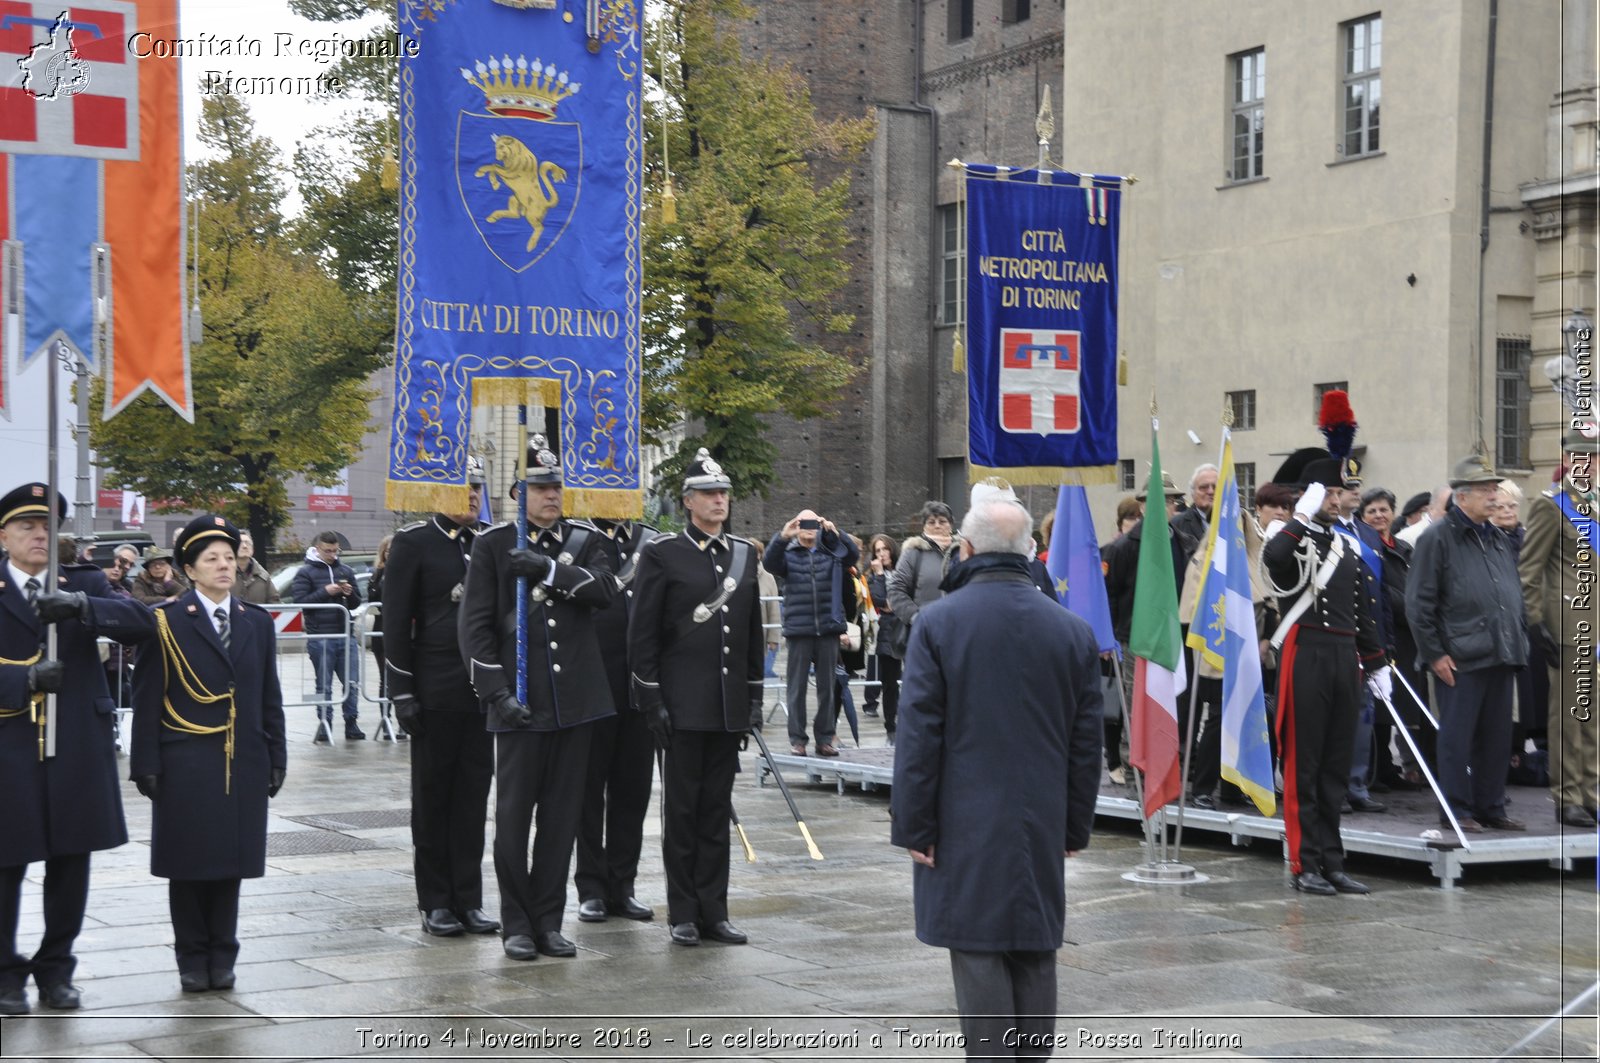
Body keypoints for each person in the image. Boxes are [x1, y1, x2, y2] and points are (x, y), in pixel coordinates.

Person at [890, 497, 1102, 1057]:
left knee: (978, 944)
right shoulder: (1073, 630)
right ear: (1031, 552)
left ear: (965, 549)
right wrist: (1075, 826)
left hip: (962, 817)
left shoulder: (938, 623)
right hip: (1040, 817)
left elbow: (918, 738)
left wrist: (914, 825)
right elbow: (1087, 744)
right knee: (1034, 944)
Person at [459, 435, 616, 961]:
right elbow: (476, 628)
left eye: (556, 486)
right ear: (516, 492)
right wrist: (497, 693)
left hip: (575, 702)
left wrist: (549, 570)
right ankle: (516, 923)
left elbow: (605, 591)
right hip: (519, 704)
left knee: (561, 820)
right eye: (540, 487)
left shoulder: (585, 539)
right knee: (512, 822)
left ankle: (549, 921)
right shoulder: (492, 544)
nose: (552, 495)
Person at [0, 482, 153, 1014]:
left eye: (46, 525)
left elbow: (144, 623)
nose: (39, 534)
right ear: (4, 535)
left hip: (75, 745)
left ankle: (56, 970)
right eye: (26, 525)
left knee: (71, 861)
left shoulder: (83, 580)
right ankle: (5, 976)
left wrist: (82, 607)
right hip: (10, 743)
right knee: (6, 863)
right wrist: (22, 682)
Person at [129, 514, 286, 992]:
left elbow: (268, 696)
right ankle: (192, 958)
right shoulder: (167, 621)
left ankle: (224, 953)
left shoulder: (255, 623)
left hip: (242, 759)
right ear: (189, 571)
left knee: (230, 863)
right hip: (186, 760)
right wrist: (145, 763)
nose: (224, 565)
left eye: (229, 556)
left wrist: (277, 755)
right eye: (211, 558)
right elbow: (147, 695)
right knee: (190, 864)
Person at [628, 449, 764, 948]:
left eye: (724, 493)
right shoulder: (664, 554)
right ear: (688, 502)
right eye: (709, 494)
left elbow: (750, 632)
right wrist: (650, 699)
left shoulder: (744, 554)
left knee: (715, 812)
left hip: (725, 706)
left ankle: (716, 911)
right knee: (682, 814)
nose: (719, 501)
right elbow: (643, 635)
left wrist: (751, 696)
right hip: (681, 707)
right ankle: (683, 911)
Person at [1261, 459, 1388, 895]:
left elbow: (1362, 609)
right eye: (1329, 493)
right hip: (1306, 654)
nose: (1337, 501)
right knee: (1304, 765)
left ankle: (1332, 861)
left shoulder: (1344, 545)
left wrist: (1377, 662)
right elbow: (1273, 561)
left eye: (1339, 493)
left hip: (1342, 657)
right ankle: (1304, 862)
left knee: (1334, 766)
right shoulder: (1287, 536)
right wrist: (1299, 515)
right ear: (1309, 495)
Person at [383, 457, 498, 938]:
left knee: (472, 801)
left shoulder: (489, 544)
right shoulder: (414, 544)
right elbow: (394, 624)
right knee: (433, 802)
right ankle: (436, 902)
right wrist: (402, 691)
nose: (472, 496)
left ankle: (468, 899)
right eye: (462, 488)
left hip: (481, 695)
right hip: (434, 690)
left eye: (476, 488)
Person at [1407, 455, 1529, 834]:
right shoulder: (1437, 538)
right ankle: (1456, 809)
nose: (1494, 497)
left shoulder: (1495, 537)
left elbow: (1509, 591)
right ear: (1462, 497)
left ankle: (1490, 806)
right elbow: (1419, 603)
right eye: (1486, 491)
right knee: (1457, 738)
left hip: (1500, 651)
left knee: (1496, 738)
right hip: (1458, 656)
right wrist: (1435, 654)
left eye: (1495, 489)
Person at [574, 514, 663, 926]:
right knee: (587, 794)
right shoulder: (578, 539)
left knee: (632, 793)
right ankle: (591, 888)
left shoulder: (652, 542)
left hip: (639, 689)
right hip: (591, 687)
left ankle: (622, 885)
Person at [1519, 431, 1600, 828]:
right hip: (1566, 626)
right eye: (1586, 459)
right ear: (1570, 460)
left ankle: (1590, 793)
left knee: (1593, 717)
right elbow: (1530, 569)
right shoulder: (1552, 507)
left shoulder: (1598, 507)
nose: (1594, 466)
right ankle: (1566, 796)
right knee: (1569, 715)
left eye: (1597, 460)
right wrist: (1536, 623)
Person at [763, 507, 859, 757]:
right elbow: (769, 563)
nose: (808, 527)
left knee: (828, 688)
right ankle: (798, 740)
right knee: (796, 688)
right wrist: (783, 536)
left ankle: (825, 739)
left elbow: (852, 556)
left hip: (828, 628)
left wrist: (837, 533)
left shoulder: (831, 551)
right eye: (803, 523)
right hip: (799, 629)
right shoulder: (789, 552)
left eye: (813, 523)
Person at [290, 531, 364, 742]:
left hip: (345, 634)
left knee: (352, 682)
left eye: (335, 550)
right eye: (327, 551)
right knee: (323, 684)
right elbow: (300, 602)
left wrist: (350, 593)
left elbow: (357, 603)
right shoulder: (305, 572)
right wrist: (326, 591)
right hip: (320, 635)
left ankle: (352, 722)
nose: (332, 554)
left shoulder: (346, 570)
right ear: (317, 549)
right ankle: (324, 724)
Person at [886, 501, 960, 678]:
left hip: (958, 631)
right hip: (923, 633)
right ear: (924, 526)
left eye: (942, 521)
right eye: (931, 522)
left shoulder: (963, 551)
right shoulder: (913, 552)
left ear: (951, 524)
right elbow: (896, 590)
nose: (937, 526)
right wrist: (916, 617)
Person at [864, 533, 904, 741]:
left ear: (892, 549)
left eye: (885, 549)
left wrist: (896, 605)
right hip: (888, 631)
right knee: (889, 683)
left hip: (908, 627)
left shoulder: (904, 569)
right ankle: (891, 727)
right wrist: (879, 575)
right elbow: (881, 601)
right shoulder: (874, 577)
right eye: (877, 551)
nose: (882, 554)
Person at [232, 531, 279, 605]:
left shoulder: (263, 576)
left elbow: (275, 603)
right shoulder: (224, 573)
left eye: (247, 543)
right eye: (240, 542)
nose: (244, 546)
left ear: (253, 550)